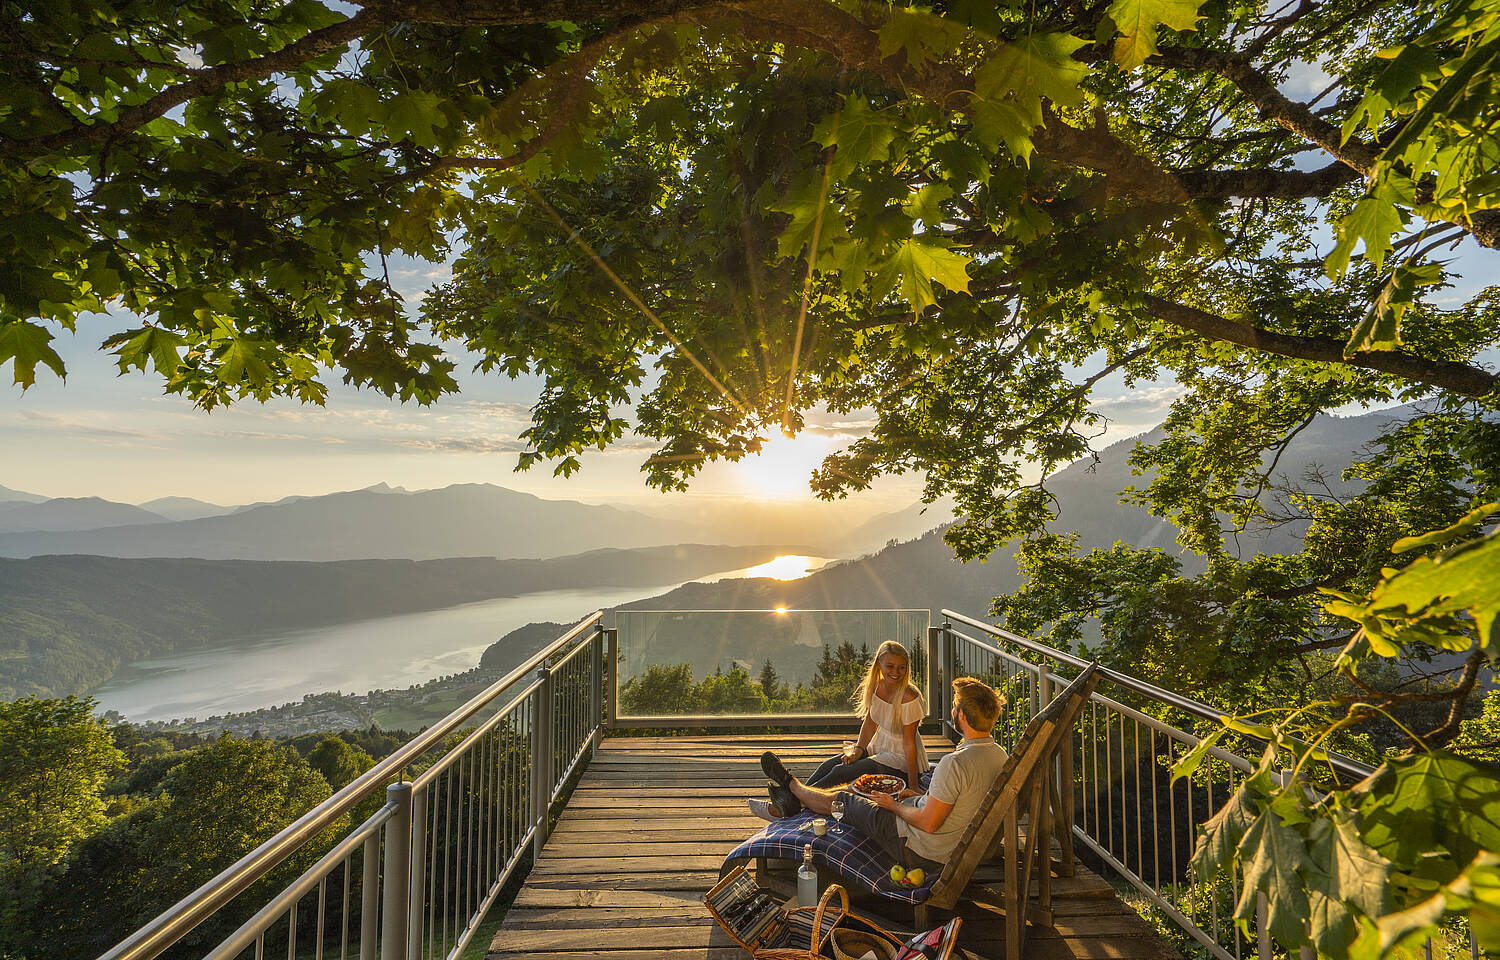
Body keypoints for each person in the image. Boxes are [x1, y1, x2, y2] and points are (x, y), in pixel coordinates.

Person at [755, 677, 1008, 874]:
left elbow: (929, 823)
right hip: (951, 840)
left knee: (846, 798)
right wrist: (919, 795)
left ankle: (792, 786)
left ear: (961, 716)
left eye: (954, 707)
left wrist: (894, 806)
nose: (953, 710)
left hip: (919, 848)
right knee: (859, 786)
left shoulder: (954, 764)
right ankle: (794, 796)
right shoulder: (999, 756)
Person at [754, 641, 927, 821]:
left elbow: (909, 742)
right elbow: (870, 723)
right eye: (890, 666)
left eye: (901, 668)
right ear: (879, 665)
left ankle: (787, 805)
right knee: (829, 766)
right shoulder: (878, 686)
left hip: (900, 759)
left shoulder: (909, 696)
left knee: (840, 773)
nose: (896, 672)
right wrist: (859, 750)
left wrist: (913, 784)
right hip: (878, 746)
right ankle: (792, 801)